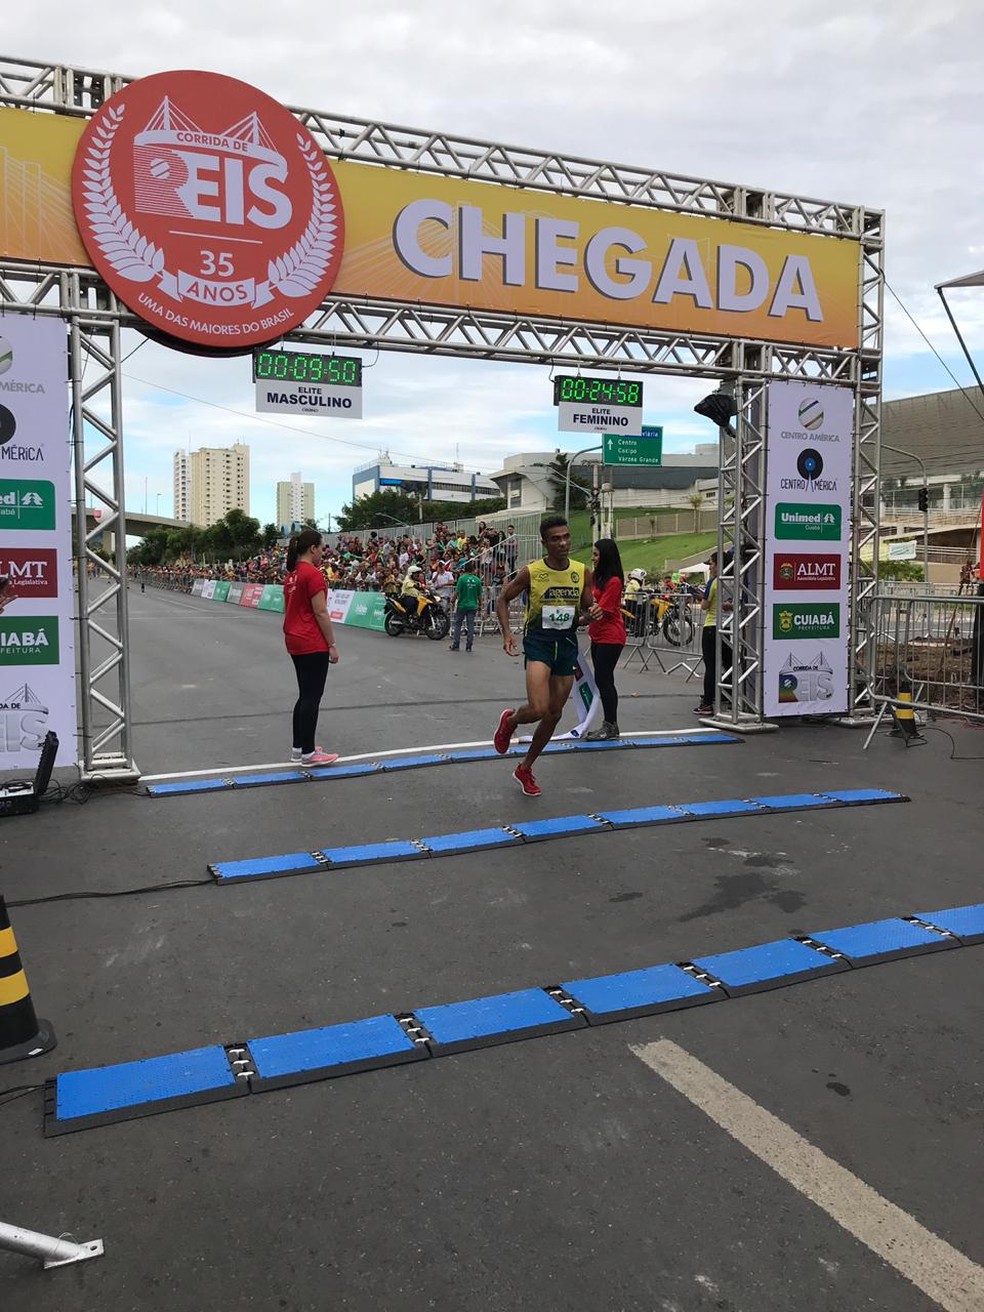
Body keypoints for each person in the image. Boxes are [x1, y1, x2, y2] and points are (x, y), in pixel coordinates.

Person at [494, 515, 592, 797]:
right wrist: (507, 634)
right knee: (538, 708)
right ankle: (511, 721)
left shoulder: (581, 571)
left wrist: (591, 614)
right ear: (544, 543)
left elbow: (587, 608)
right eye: (555, 539)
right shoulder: (531, 571)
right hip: (539, 643)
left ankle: (525, 768)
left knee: (554, 713)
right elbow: (503, 598)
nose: (563, 543)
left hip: (567, 644)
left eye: (566, 537)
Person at [283, 529, 340, 766]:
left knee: (304, 695)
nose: (323, 552)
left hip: (294, 637)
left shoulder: (293, 575)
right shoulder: (313, 574)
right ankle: (308, 753)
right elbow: (320, 611)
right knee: (312, 697)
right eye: (322, 547)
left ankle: (299, 748)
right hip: (310, 640)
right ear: (313, 549)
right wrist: (332, 645)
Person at [584, 539, 626, 739]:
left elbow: (600, 610)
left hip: (611, 636)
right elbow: (587, 600)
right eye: (593, 554)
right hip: (597, 635)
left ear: (606, 557)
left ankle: (611, 725)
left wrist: (578, 620)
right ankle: (609, 724)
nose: (593, 558)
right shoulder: (596, 577)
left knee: (604, 679)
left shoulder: (614, 581)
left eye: (596, 555)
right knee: (602, 679)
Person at [695, 551, 733, 716]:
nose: (710, 567)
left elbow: (705, 606)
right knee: (729, 664)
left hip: (712, 626)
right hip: (729, 626)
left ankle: (707, 703)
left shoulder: (714, 582)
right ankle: (730, 697)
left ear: (719, 565)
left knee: (711, 666)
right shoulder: (735, 581)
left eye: (711, 564)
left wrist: (699, 597)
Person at [449, 560, 482, 652]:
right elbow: (479, 595)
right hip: (473, 605)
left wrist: (452, 600)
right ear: (473, 570)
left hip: (462, 605)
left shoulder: (462, 579)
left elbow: (457, 591)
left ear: (465, 569)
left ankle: (456, 644)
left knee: (458, 624)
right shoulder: (477, 580)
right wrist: (480, 604)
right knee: (470, 624)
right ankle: (469, 645)